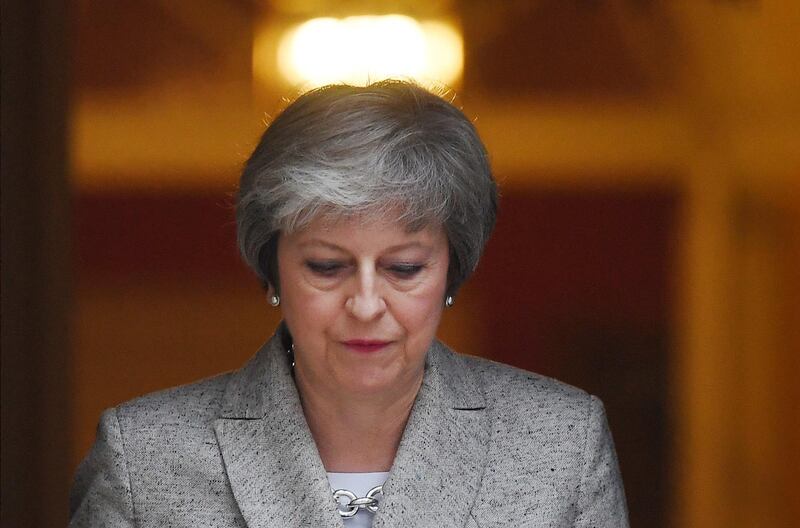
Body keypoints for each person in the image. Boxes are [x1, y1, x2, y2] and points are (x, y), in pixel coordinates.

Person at [70, 80, 629, 527]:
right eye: (327, 267)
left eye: (403, 268)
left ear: (450, 271)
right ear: (273, 270)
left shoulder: (562, 442)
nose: (365, 304)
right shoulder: (142, 455)